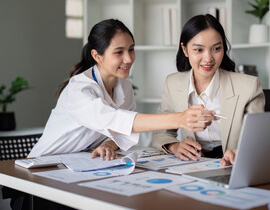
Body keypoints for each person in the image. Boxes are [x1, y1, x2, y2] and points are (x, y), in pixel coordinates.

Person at [28, 18, 217, 160]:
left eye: (131, 49)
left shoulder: (123, 84)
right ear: (97, 56)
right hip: (44, 166)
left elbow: (119, 132)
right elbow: (115, 119)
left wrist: (108, 145)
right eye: (119, 52)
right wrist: (180, 119)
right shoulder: (79, 90)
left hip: (80, 162)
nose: (128, 59)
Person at [152, 14, 265, 166]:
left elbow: (258, 138)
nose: (208, 58)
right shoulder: (173, 83)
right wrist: (175, 146)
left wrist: (241, 152)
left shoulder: (249, 86)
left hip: (232, 164)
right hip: (191, 164)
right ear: (185, 50)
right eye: (198, 50)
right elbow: (161, 133)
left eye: (216, 49)